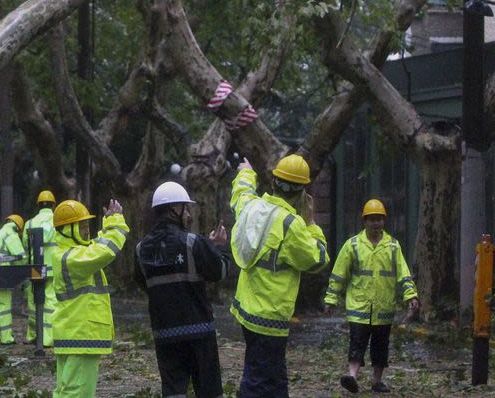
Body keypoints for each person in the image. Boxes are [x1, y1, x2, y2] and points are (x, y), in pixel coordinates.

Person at [229, 155, 330, 398]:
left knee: (271, 376)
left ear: (273, 183)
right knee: (259, 381)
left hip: (246, 312)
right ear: (301, 192)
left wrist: (246, 171)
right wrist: (311, 222)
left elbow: (241, 193)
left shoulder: (251, 207)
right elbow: (318, 259)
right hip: (271, 317)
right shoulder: (291, 224)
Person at [134, 181, 230, 398]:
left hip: (164, 332)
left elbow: (144, 283)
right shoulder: (192, 242)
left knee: (173, 391)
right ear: (173, 209)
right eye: (185, 209)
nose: (188, 215)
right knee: (209, 390)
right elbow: (220, 271)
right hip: (199, 332)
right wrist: (219, 248)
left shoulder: (140, 249)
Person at [323, 199, 420, 394]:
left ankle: (377, 381)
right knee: (357, 342)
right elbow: (339, 274)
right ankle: (351, 376)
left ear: (384, 221)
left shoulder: (393, 247)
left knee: (380, 346)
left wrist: (411, 295)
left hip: (384, 307)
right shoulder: (353, 246)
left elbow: (403, 273)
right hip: (359, 306)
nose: (375, 223)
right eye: (372, 220)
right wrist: (331, 299)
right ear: (364, 221)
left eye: (379, 219)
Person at [50, 198, 129, 398]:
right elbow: (104, 251)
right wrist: (115, 222)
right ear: (68, 229)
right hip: (81, 333)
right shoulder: (72, 258)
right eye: (82, 225)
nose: (87, 230)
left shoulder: (68, 253)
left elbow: (94, 247)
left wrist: (106, 225)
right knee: (78, 392)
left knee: (66, 390)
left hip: (74, 332)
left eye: (86, 225)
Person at [24, 189, 58, 347]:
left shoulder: (30, 223)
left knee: (33, 301)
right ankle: (48, 338)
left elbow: (26, 246)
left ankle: (33, 335)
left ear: (38, 205)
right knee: (51, 301)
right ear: (53, 205)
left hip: (35, 266)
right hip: (53, 266)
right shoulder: (58, 221)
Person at [0, 213, 27, 345]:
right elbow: (21, 257)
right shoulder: (11, 235)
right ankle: (6, 339)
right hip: (3, 274)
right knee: (5, 307)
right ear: (18, 228)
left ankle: (5, 336)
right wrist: (22, 275)